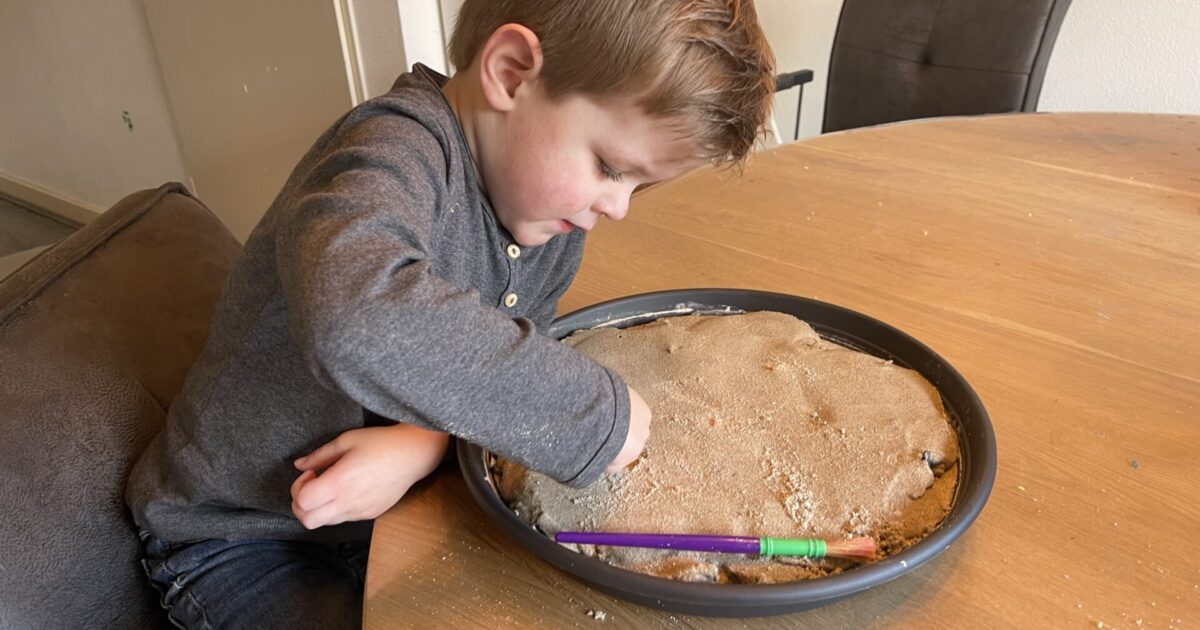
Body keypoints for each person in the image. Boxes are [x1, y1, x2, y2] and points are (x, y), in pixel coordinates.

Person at [125, 1, 775, 627]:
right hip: (243, 538)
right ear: (511, 72)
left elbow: (500, 355)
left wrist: (419, 444)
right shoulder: (389, 150)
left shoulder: (548, 215)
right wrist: (589, 413)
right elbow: (350, 310)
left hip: (395, 513)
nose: (618, 206)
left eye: (640, 184)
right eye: (609, 166)